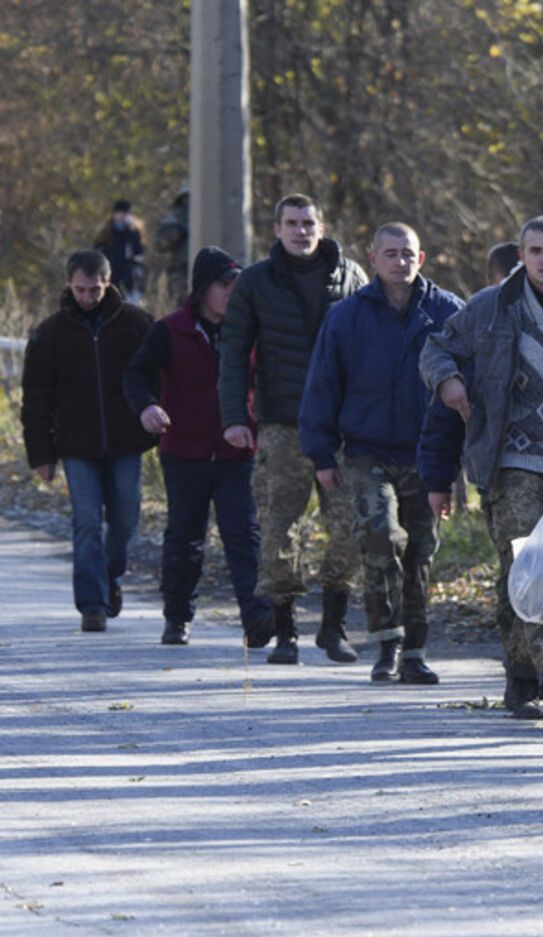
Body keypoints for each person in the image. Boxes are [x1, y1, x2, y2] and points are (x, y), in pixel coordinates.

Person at [420, 215, 543, 728]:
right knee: (533, 563)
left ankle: (520, 675)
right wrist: (448, 380)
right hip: (511, 458)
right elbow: (435, 348)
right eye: (535, 250)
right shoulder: (490, 306)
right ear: (520, 255)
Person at [299, 223, 464, 683]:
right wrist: (322, 452)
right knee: (380, 537)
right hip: (367, 451)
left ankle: (415, 650)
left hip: (427, 453)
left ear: (422, 258)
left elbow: (471, 387)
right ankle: (387, 643)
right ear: (373, 260)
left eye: (408, 254)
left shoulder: (447, 312)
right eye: (390, 254)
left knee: (420, 551)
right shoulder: (347, 316)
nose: (400, 262)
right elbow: (322, 385)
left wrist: (458, 462)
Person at [217, 193, 368, 665]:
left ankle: (333, 624)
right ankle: (286, 632)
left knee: (351, 527)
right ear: (277, 229)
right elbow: (234, 353)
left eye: (308, 223)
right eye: (292, 223)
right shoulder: (256, 282)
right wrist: (235, 419)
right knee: (279, 530)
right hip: (281, 423)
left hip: (342, 427)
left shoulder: (351, 278)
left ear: (321, 227)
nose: (301, 231)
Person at [122, 246, 275, 648]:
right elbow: (136, 375)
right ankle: (177, 616)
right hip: (184, 450)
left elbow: (269, 382)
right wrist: (148, 406)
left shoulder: (252, 331)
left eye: (236, 285)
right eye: (223, 285)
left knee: (243, 533)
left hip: (238, 450)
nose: (231, 292)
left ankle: (256, 617)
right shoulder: (170, 329)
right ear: (203, 289)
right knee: (185, 538)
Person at [20, 249, 155, 631]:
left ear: (107, 283)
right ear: (68, 284)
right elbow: (36, 399)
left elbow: (158, 378)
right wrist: (40, 454)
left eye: (94, 290)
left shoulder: (137, 324)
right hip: (76, 446)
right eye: (80, 289)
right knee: (86, 522)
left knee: (127, 519)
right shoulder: (49, 334)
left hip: (126, 440)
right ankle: (92, 604)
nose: (87, 297)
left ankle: (109, 574)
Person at [93, 200, 147, 303]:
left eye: (124, 214)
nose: (121, 216)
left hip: (128, 276)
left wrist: (132, 232)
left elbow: (139, 253)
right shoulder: (106, 232)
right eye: (119, 213)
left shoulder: (134, 232)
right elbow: (97, 250)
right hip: (110, 273)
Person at [154, 185, 190, 308]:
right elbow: (159, 243)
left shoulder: (208, 213)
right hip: (181, 271)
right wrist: (173, 233)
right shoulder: (176, 217)